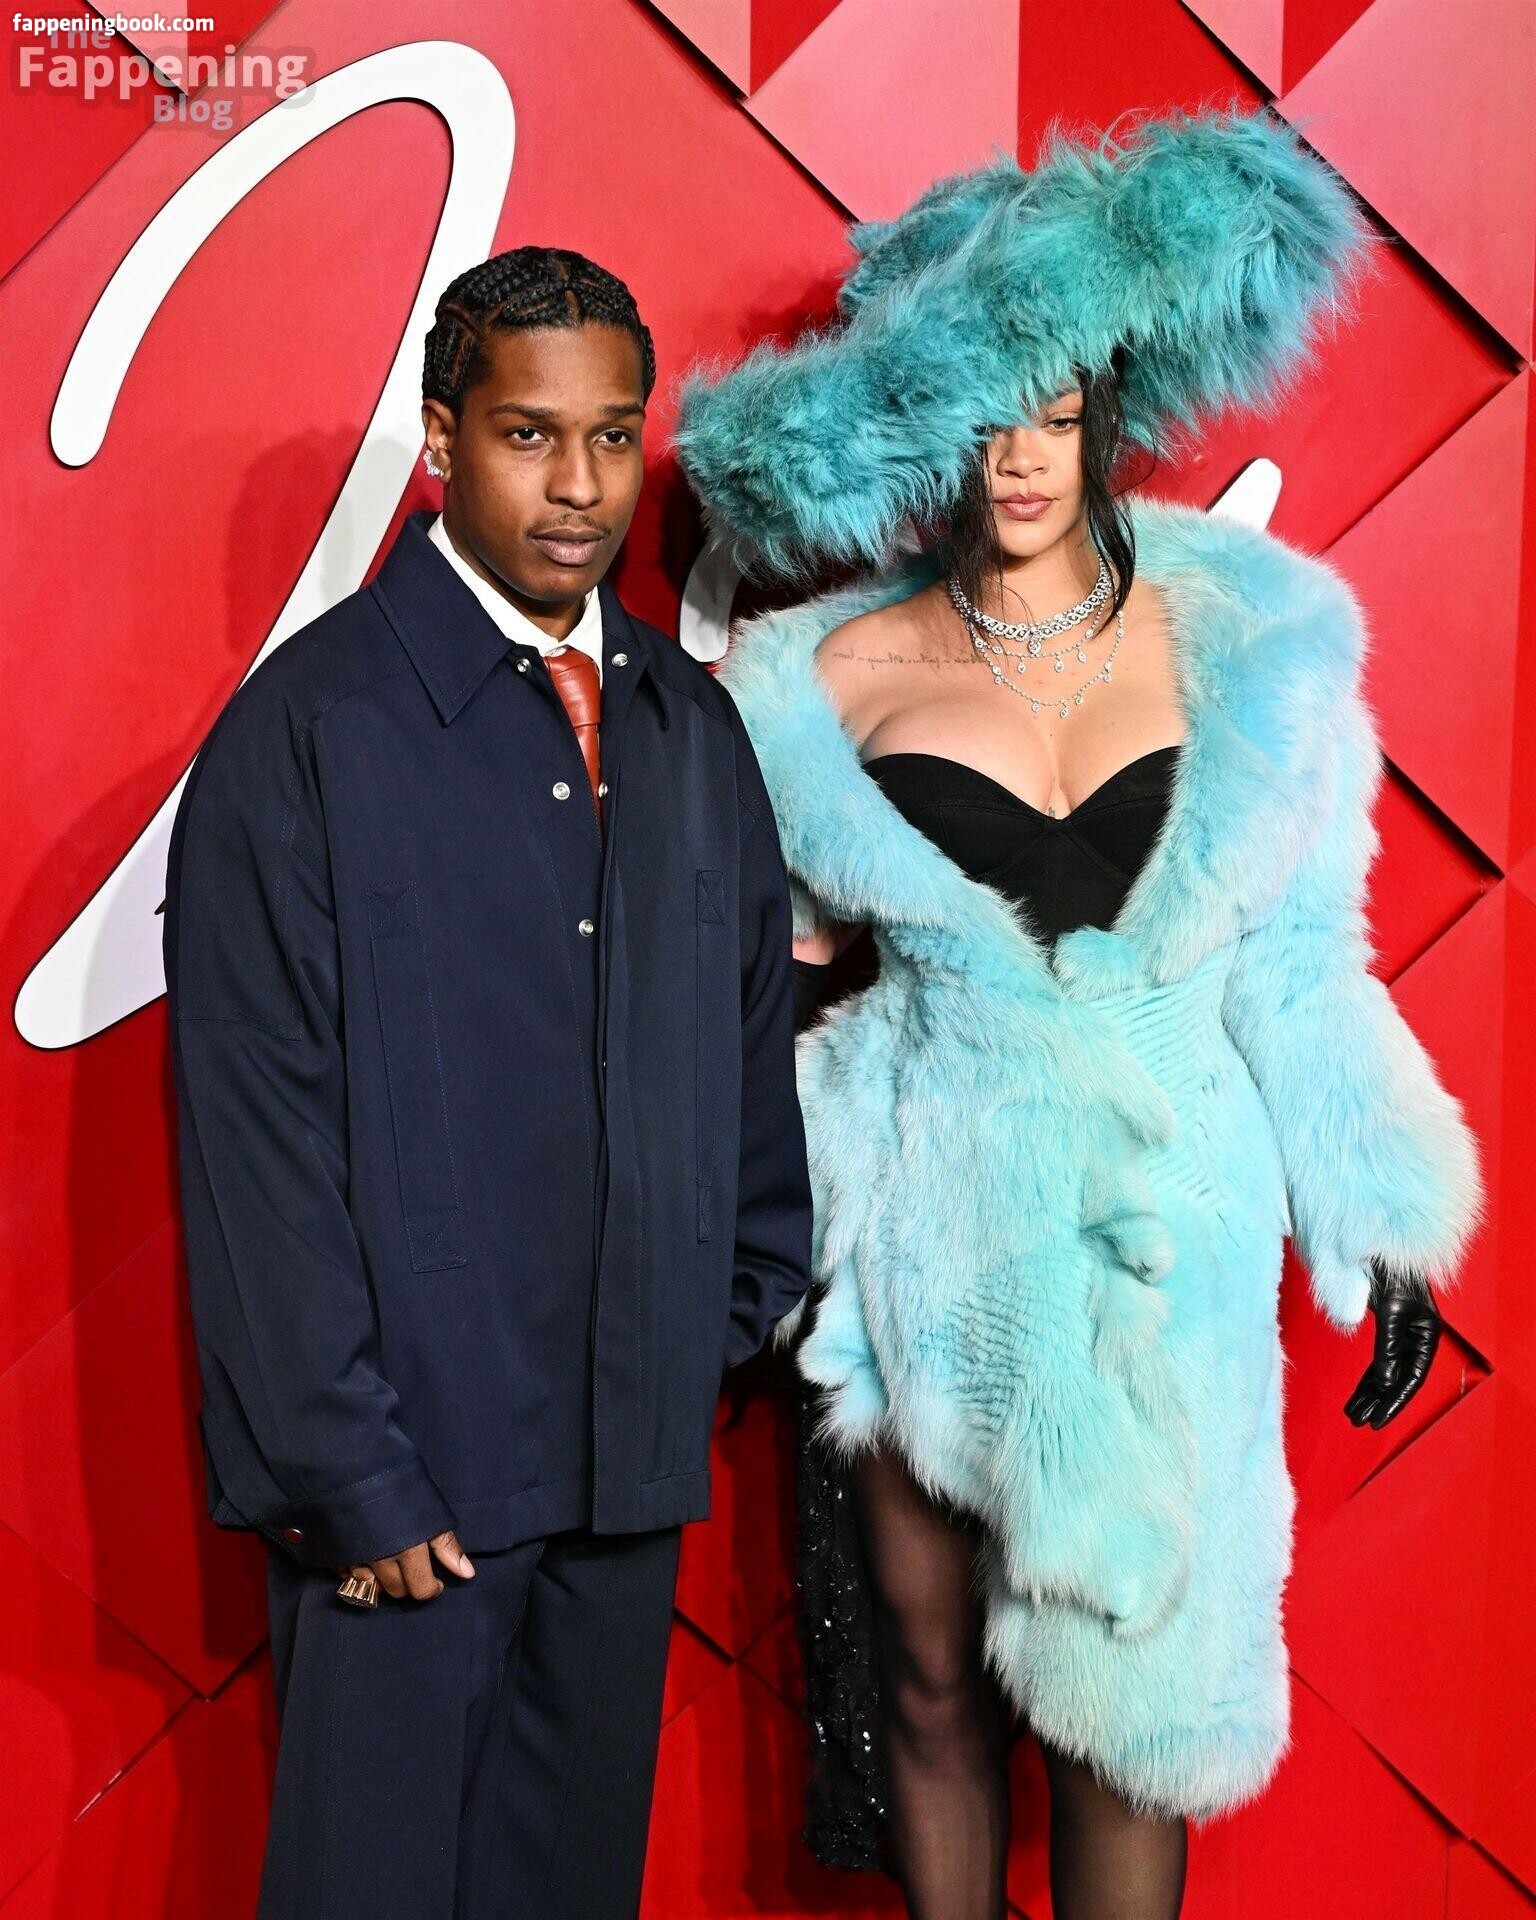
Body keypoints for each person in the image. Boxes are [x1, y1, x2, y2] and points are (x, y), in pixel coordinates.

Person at [674, 108, 1482, 1920]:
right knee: (926, 1685)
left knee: (1132, 1721)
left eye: (1053, 408)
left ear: (1105, 404)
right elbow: (751, 979)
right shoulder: (811, 680)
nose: (1022, 455)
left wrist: (1383, 1212)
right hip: (925, 1226)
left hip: (1169, 1230)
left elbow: (1304, 961)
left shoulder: (1259, 633)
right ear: (922, 431)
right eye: (983, 415)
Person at [163, 245, 812, 1920]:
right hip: (408, 1486)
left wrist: (717, 1314)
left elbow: (749, 1051)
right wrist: (344, 1469)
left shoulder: (687, 728)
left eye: (613, 436)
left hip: (623, 1464)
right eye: (531, 436)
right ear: (444, 439)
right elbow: (256, 1136)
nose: (580, 485)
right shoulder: (309, 732)